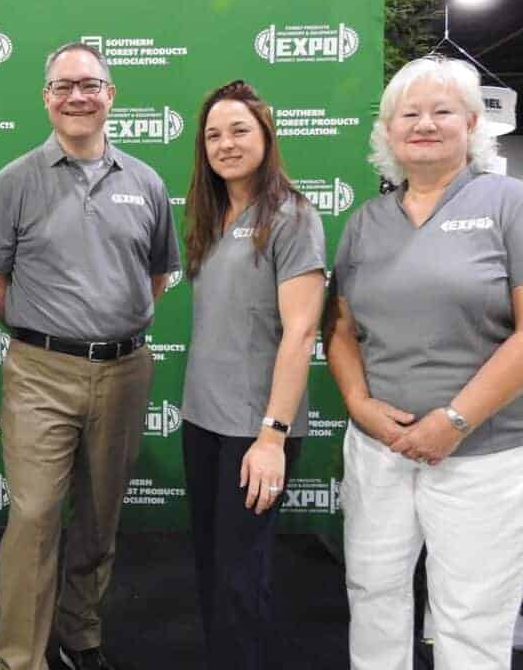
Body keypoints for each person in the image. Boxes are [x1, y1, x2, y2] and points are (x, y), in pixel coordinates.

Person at [324, 55, 523, 670]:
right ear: (386, 133)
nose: (424, 124)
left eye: (442, 112)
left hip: (487, 454)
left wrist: (454, 421)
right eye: (408, 114)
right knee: (374, 593)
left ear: (471, 125)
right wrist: (360, 406)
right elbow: (341, 330)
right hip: (380, 447)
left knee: (470, 618)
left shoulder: (512, 204)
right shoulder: (366, 223)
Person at [0, 42, 181, 670]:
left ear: (111, 95)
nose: (77, 97)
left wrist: (108, 325)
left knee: (99, 518)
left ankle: (80, 633)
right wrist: (49, 333)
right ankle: (19, 657)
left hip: (124, 370)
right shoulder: (15, 179)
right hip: (41, 372)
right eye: (63, 86)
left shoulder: (145, 181)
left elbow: (156, 275)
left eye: (90, 84)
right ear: (46, 98)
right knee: (35, 515)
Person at [181, 80, 325, 669]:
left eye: (239, 129)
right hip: (202, 421)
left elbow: (302, 332)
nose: (226, 143)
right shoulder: (212, 216)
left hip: (255, 431)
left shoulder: (291, 216)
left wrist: (272, 435)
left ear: (266, 134)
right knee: (215, 571)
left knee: (242, 580)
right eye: (213, 134)